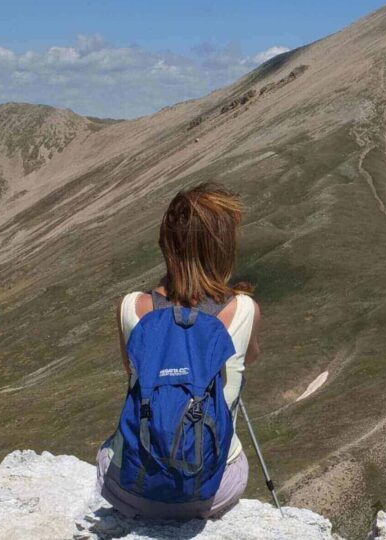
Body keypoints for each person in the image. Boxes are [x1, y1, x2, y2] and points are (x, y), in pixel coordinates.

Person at [96, 183, 262, 520]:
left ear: (166, 244)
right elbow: (252, 356)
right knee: (235, 457)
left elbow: (132, 370)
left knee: (109, 449)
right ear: (223, 249)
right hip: (211, 491)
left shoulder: (130, 307)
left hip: (132, 490)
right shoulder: (245, 310)